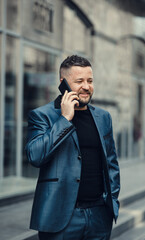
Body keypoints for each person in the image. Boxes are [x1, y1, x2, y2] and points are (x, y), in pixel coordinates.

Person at [26, 55, 120, 240]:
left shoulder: (103, 117)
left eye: (90, 80)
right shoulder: (42, 115)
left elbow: (111, 163)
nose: (86, 86)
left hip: (99, 215)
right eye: (79, 81)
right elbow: (35, 156)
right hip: (60, 218)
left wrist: (111, 201)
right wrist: (64, 120)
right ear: (63, 83)